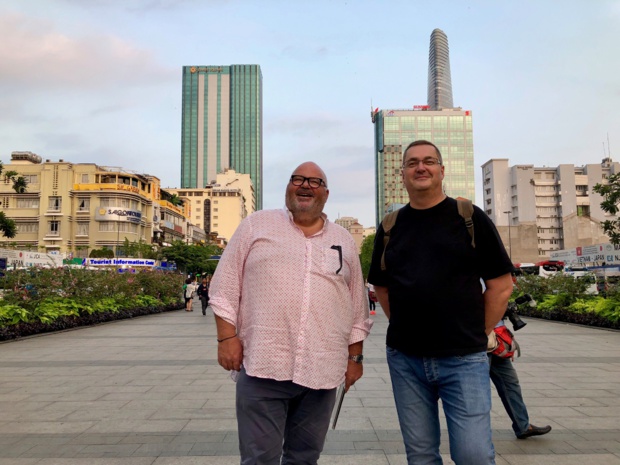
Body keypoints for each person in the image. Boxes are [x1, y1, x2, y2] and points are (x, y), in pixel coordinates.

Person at [209, 161, 373, 465]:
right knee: (259, 458)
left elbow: (356, 308)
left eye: (314, 181)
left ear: (326, 193)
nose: (305, 185)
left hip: (322, 370)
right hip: (263, 365)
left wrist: (355, 359)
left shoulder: (344, 241)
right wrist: (226, 337)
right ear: (288, 187)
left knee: (305, 458)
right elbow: (224, 286)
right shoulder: (256, 226)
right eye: (298, 179)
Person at [368, 140, 514, 464]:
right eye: (413, 163)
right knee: (420, 456)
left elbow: (501, 286)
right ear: (402, 174)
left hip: (464, 359)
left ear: (442, 170)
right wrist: (406, 324)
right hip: (406, 360)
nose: (421, 167)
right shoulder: (390, 227)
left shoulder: (469, 218)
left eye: (429, 161)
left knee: (473, 455)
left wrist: (478, 331)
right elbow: (382, 288)